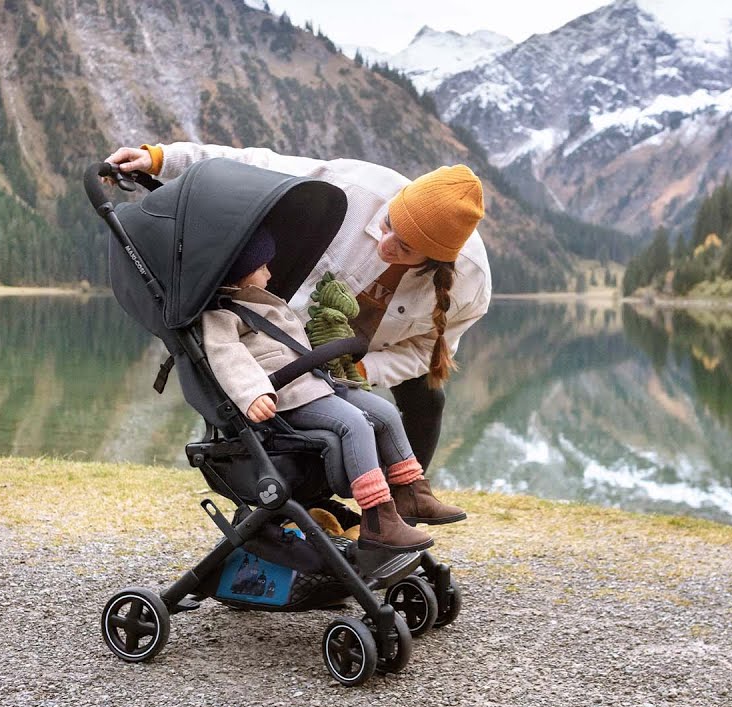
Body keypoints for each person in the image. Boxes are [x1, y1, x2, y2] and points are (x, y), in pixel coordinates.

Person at [105, 142, 491, 483]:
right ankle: (305, 505)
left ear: (435, 259)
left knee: (426, 399)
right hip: (301, 338)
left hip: (374, 352)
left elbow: (428, 351)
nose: (386, 243)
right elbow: (252, 168)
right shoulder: (355, 188)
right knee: (301, 415)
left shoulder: (470, 285)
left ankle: (403, 505)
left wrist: (364, 372)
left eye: (404, 247)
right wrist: (161, 159)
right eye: (388, 225)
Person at [203, 226, 467, 554]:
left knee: (383, 412)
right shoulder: (223, 315)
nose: (270, 273)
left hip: (316, 383)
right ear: (240, 275)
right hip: (285, 398)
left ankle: (412, 493)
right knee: (354, 423)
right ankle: (377, 519)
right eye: (262, 268)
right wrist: (252, 394)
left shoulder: (266, 302)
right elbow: (227, 357)